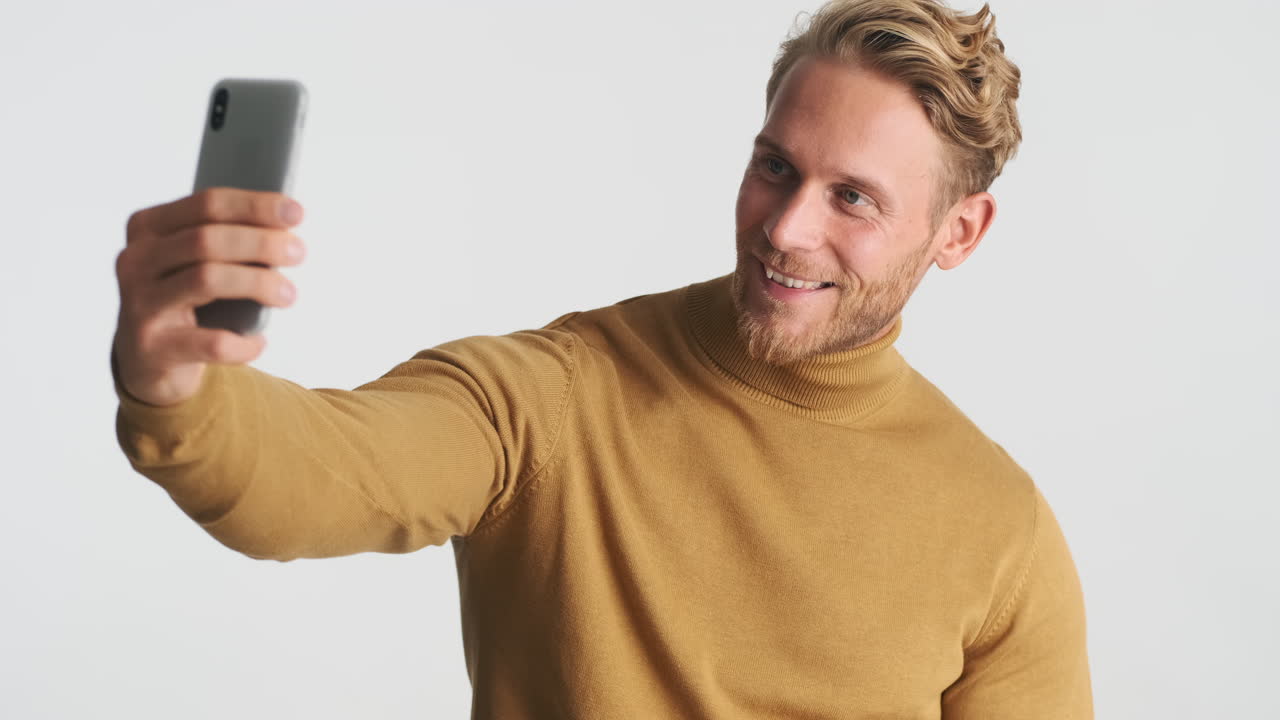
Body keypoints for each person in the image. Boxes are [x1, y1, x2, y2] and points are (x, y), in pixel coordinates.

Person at [110, 0, 1093, 716]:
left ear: (958, 232)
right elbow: (321, 473)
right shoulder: (558, 395)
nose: (786, 227)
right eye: (774, 168)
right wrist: (178, 385)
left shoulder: (998, 530)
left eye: (853, 198)